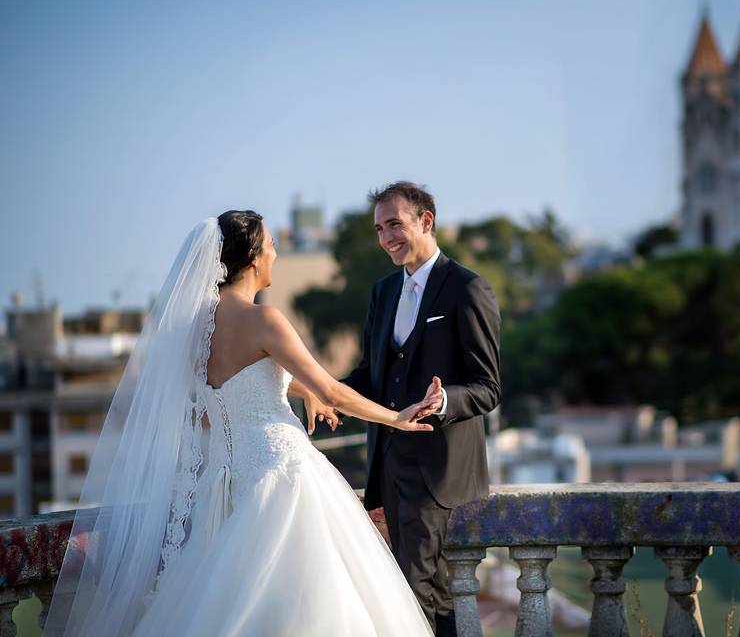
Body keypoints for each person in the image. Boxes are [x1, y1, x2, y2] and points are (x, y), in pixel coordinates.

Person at [46, 211, 438, 636]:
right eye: (270, 245)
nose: (276, 252)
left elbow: (233, 387)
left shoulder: (193, 330)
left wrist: (298, 388)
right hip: (282, 475)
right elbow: (333, 392)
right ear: (252, 258)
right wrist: (395, 418)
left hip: (223, 486)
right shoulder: (263, 321)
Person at [342, 182, 501, 636]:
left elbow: (488, 387)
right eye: (379, 228)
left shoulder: (468, 288)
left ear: (425, 221)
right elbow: (371, 375)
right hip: (389, 466)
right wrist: (328, 394)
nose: (386, 237)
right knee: (426, 596)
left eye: (395, 224)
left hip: (437, 469)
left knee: (416, 594)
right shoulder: (383, 292)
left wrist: (445, 400)